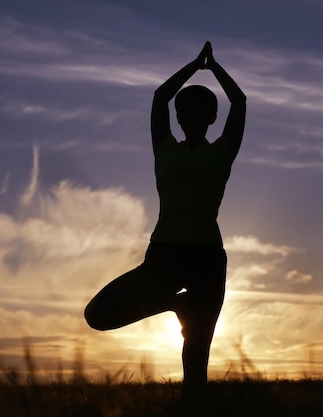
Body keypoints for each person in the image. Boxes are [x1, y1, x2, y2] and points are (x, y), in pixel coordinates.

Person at [84, 41, 246, 397]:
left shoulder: (222, 151)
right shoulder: (165, 148)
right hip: (164, 255)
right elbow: (160, 98)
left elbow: (240, 102)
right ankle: (176, 303)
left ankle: (193, 406)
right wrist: (194, 65)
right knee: (98, 314)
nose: (187, 116)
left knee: (196, 359)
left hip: (207, 257)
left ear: (210, 117)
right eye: (182, 111)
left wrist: (214, 68)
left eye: (196, 111)